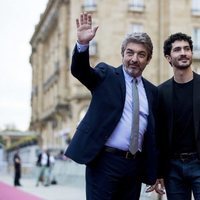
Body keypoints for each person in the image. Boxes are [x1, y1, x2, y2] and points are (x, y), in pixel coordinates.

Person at [65, 13, 158, 200]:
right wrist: (82, 45)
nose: (134, 59)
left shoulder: (152, 92)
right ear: (122, 54)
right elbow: (81, 71)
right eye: (130, 52)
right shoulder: (106, 75)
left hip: (134, 167)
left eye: (141, 55)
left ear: (148, 60)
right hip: (104, 162)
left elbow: (152, 135)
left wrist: (154, 171)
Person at [155, 32, 200, 199]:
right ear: (168, 57)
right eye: (178, 49)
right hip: (172, 168)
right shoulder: (160, 93)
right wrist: (158, 172)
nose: (183, 52)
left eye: (187, 49)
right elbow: (158, 135)